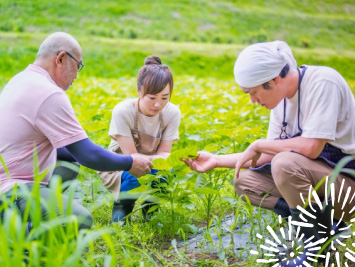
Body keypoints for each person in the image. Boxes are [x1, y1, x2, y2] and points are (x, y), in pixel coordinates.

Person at [183, 41, 355, 265]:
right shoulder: (281, 102)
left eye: (252, 93)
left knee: (285, 164)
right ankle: (324, 227)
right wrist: (216, 160)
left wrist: (259, 144)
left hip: (347, 186)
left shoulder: (323, 82)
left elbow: (312, 147)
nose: (252, 100)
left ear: (274, 80)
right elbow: (266, 155)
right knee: (244, 182)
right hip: (323, 184)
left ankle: (315, 249)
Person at [0, 32, 153, 231]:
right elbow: (87, 154)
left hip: (9, 175)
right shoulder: (49, 93)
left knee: (68, 163)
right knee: (79, 221)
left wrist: (101, 156)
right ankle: (13, 232)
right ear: (61, 59)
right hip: (10, 188)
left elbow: (71, 151)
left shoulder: (20, 80)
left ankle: (33, 213)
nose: (77, 75)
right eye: (78, 66)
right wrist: (130, 162)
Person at [99, 55, 181, 223]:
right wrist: (157, 161)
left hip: (151, 165)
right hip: (121, 167)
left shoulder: (172, 113)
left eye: (164, 98)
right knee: (135, 176)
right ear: (139, 91)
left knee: (167, 172)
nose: (158, 104)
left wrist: (159, 163)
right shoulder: (123, 111)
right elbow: (132, 159)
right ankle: (122, 206)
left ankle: (150, 209)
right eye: (152, 98)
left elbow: (165, 153)